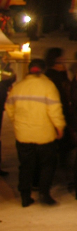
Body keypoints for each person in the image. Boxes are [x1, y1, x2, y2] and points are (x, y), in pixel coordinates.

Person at [5, 59, 65, 206]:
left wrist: (17, 122)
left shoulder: (18, 87)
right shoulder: (48, 86)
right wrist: (59, 127)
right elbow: (55, 110)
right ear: (43, 70)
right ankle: (44, 194)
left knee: (26, 166)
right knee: (47, 165)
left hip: (23, 134)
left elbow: (9, 108)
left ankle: (25, 196)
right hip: (44, 134)